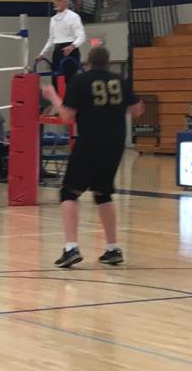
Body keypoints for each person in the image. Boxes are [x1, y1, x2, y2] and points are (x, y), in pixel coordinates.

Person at [42, 45, 143, 267]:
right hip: (115, 144)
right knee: (103, 193)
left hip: (89, 142)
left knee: (68, 193)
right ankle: (112, 248)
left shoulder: (80, 81)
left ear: (87, 62)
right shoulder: (120, 80)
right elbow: (137, 111)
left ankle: (71, 248)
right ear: (108, 63)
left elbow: (67, 116)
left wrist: (53, 96)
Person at [36, 0, 86, 82]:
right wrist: (42, 54)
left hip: (70, 51)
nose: (55, 3)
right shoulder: (53, 19)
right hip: (57, 51)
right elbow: (51, 39)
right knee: (55, 80)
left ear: (66, 2)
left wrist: (72, 46)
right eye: (55, 0)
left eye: (58, 1)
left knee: (69, 80)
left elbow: (81, 36)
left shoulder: (73, 17)